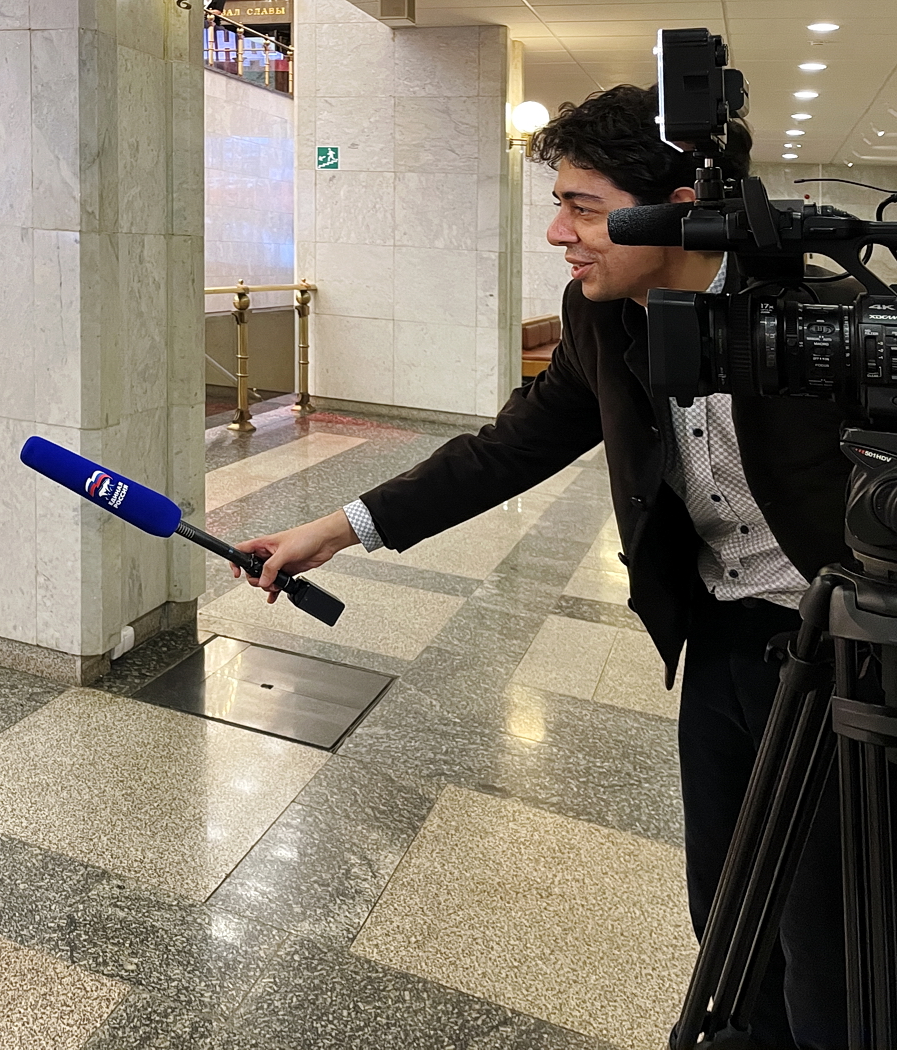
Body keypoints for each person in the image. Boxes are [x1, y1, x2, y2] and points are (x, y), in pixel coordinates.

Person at [234, 85, 852, 1050]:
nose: (560, 234)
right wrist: (336, 528)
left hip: (844, 655)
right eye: (559, 205)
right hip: (722, 638)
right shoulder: (601, 313)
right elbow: (511, 447)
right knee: (727, 905)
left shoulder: (816, 316)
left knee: (827, 940)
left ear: (679, 208)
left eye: (584, 209)